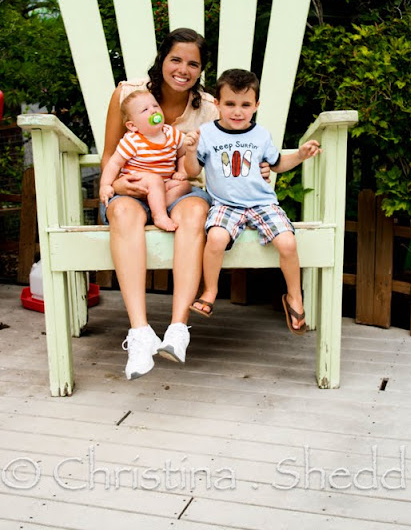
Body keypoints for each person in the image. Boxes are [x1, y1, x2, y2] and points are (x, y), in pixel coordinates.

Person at [101, 28, 271, 378]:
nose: (183, 69)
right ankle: (140, 333)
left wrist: (260, 166)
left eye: (193, 64)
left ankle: (178, 329)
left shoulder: (208, 108)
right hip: (131, 188)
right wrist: (116, 184)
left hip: (182, 191)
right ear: (162, 59)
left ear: (201, 69)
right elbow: (110, 154)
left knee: (195, 211)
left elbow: (238, 147)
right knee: (121, 211)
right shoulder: (128, 94)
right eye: (175, 59)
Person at [184, 68, 322, 335]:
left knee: (287, 242)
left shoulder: (261, 135)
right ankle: (210, 291)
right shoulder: (207, 134)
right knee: (216, 238)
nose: (238, 112)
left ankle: (294, 296)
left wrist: (300, 155)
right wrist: (190, 151)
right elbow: (192, 171)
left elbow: (278, 164)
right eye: (230, 104)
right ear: (217, 104)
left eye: (245, 105)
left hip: (262, 203)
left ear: (256, 105)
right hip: (225, 204)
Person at [99, 90, 191, 232]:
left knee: (184, 185)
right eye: (145, 110)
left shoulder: (172, 133)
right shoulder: (132, 141)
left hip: (163, 185)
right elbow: (114, 163)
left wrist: (182, 171)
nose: (153, 111)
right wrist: (105, 185)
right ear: (133, 126)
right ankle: (159, 215)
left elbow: (182, 154)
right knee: (154, 180)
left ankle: (155, 205)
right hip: (138, 184)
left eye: (155, 106)